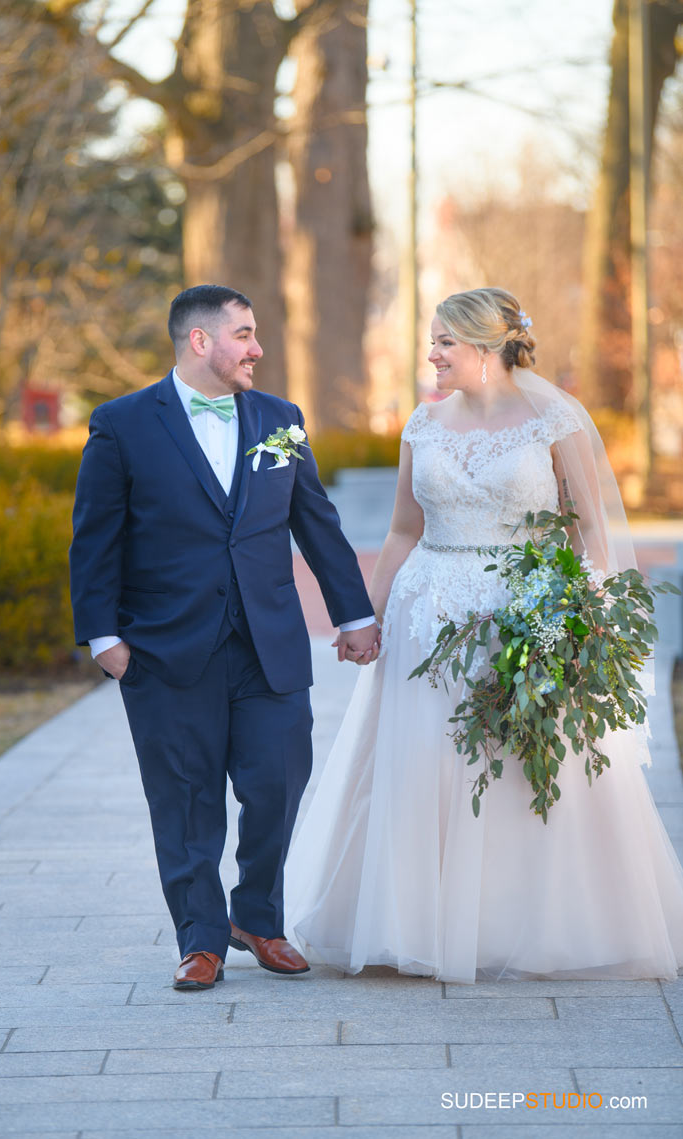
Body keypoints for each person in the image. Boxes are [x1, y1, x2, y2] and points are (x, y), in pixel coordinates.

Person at [285, 286, 683, 983]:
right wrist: (366, 617)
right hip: (425, 619)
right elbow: (404, 528)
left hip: (526, 614)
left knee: (523, 766)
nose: (432, 354)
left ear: (486, 346)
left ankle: (526, 924)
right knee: (425, 766)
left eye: (444, 342)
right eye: (431, 341)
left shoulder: (552, 419)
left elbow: (593, 529)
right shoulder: (424, 422)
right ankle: (417, 924)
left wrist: (579, 618)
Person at [70, 284, 379, 991]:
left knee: (277, 781)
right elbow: (94, 539)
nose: (257, 348)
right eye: (244, 333)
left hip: (269, 641)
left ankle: (258, 916)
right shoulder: (121, 425)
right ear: (201, 341)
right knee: (184, 798)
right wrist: (101, 635)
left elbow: (317, 524)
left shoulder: (280, 419)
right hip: (165, 648)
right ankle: (200, 938)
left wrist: (353, 615)